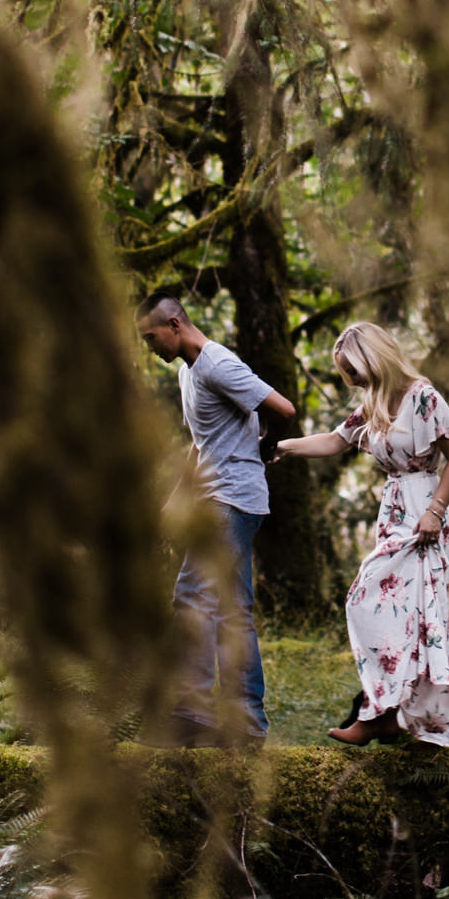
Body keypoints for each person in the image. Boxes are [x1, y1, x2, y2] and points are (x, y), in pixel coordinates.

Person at [275, 321, 449, 747]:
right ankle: (389, 713)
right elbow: (333, 441)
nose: (351, 379)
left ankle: (402, 719)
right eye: (345, 373)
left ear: (373, 356)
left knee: (415, 615)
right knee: (378, 607)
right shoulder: (373, 404)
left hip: (424, 509)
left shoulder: (424, 397)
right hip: (394, 509)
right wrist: (283, 447)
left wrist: (436, 511)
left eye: (353, 369)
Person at [137, 291, 296, 743]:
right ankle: (247, 725)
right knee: (233, 612)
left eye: (151, 338)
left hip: (232, 499)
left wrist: (266, 446)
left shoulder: (215, 364)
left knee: (194, 594)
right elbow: (201, 441)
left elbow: (283, 409)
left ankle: (195, 711)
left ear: (174, 325)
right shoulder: (191, 373)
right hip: (220, 498)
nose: (151, 349)